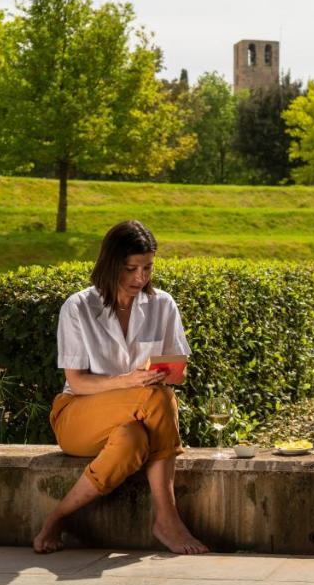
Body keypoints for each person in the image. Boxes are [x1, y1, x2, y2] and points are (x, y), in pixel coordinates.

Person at [33, 220, 208, 555]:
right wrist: (128, 382)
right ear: (111, 264)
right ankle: (167, 519)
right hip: (78, 417)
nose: (140, 279)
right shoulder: (79, 307)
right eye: (130, 269)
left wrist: (167, 374)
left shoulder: (162, 304)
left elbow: (178, 374)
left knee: (132, 440)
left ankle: (57, 517)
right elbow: (76, 381)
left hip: (136, 420)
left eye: (147, 268)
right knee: (155, 397)